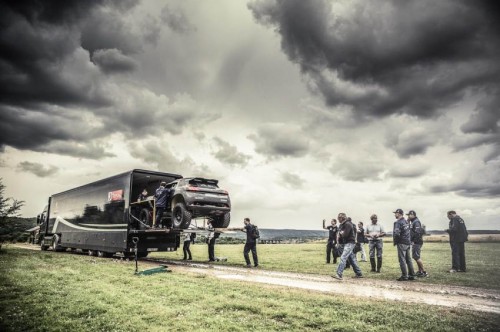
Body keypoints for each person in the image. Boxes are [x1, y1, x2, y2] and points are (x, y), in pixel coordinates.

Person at [332, 213, 363, 280]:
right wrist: (340, 235)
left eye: (339, 218)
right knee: (352, 259)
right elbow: (340, 234)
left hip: (350, 243)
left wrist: (341, 233)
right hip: (346, 243)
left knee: (343, 257)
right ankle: (359, 273)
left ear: (342, 218)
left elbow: (345, 235)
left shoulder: (348, 224)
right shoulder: (341, 225)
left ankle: (339, 274)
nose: (338, 219)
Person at [393, 208, 415, 281]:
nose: (395, 214)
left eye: (396, 213)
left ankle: (405, 276)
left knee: (402, 259)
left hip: (401, 242)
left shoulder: (398, 222)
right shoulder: (406, 221)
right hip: (407, 242)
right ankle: (412, 275)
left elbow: (396, 233)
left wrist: (396, 241)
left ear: (399, 214)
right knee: (409, 259)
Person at [407, 210, 428, 277]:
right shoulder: (413, 221)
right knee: (416, 256)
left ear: (413, 215)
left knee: (416, 257)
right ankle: (420, 271)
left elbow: (418, 233)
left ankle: (424, 272)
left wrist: (414, 241)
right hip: (416, 241)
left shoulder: (416, 222)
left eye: (409, 215)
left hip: (417, 242)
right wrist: (408, 221)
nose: (408, 216)